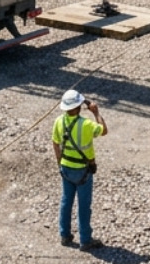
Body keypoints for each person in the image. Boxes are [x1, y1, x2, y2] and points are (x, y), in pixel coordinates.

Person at [52, 89, 106, 249]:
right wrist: (96, 112)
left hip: (66, 168)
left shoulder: (58, 122)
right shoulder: (87, 124)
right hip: (83, 170)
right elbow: (103, 130)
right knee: (83, 205)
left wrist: (59, 163)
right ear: (77, 107)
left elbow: (55, 143)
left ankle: (65, 235)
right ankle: (85, 240)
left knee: (66, 201)